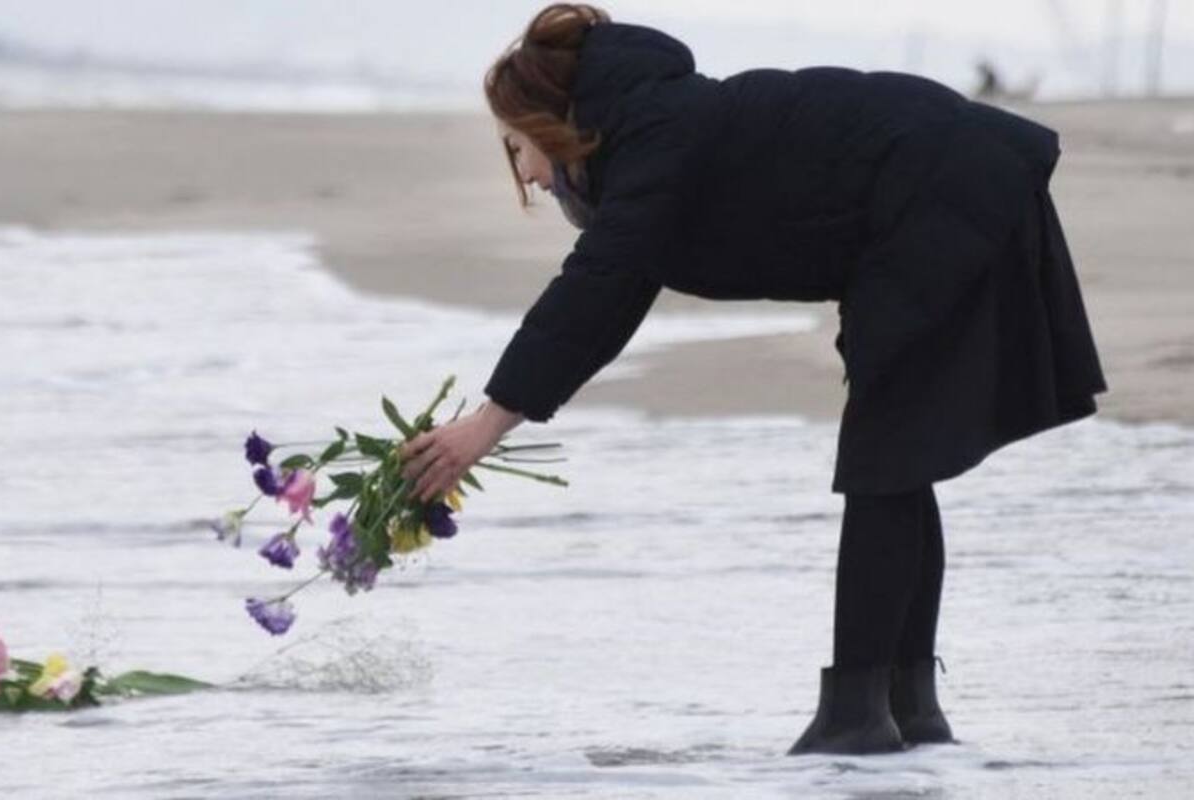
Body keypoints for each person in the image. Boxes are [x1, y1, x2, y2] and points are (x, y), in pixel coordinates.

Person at [399, 3, 1107, 755]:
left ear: (548, 124)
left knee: (886, 460)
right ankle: (904, 705)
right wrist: (499, 415)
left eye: (517, 149)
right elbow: (612, 299)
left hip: (941, 187)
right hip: (946, 185)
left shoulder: (655, 134)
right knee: (899, 461)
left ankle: (857, 716)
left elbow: (596, 285)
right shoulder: (652, 139)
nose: (529, 177)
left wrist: (484, 424)